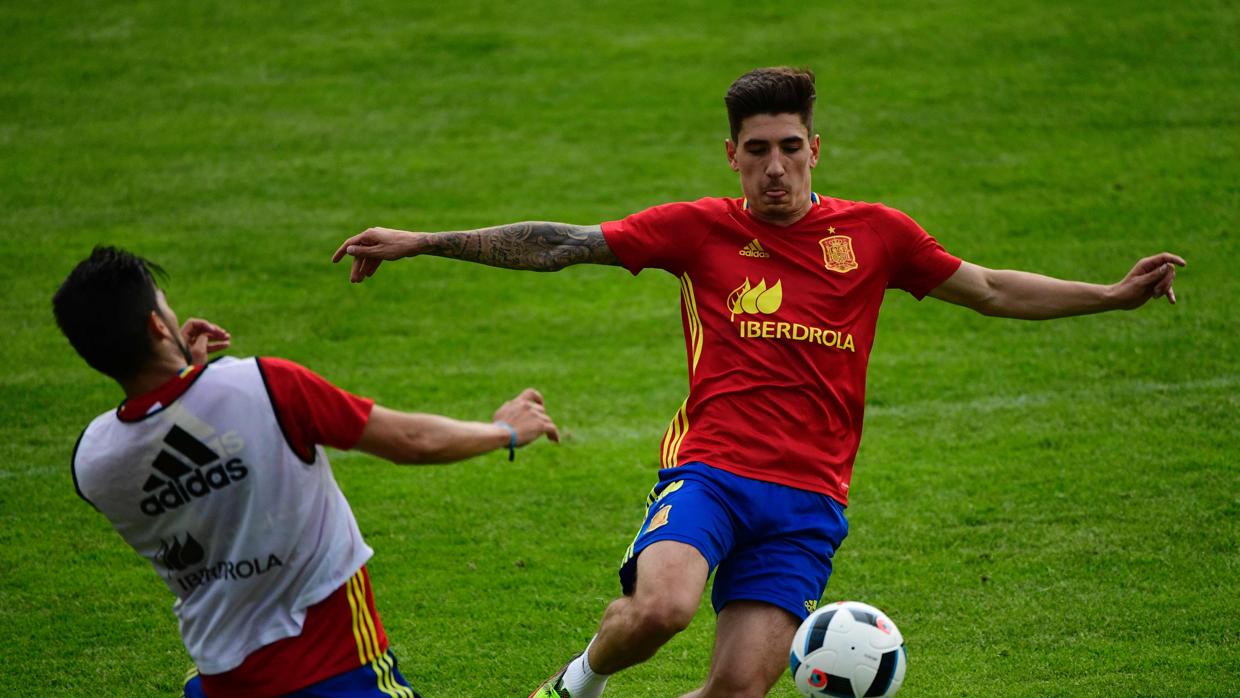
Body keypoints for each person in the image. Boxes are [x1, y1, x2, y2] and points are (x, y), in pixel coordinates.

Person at [331, 67, 1185, 698]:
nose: (774, 168)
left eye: (788, 150)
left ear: (814, 149)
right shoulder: (699, 230)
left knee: (738, 690)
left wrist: (1110, 296)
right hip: (712, 468)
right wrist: (424, 239)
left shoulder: (878, 235)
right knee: (662, 609)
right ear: (731, 155)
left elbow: (991, 289)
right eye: (755, 153)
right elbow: (563, 242)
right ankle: (575, 686)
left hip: (811, 498)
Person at [54, 246, 560, 698]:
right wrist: (504, 431)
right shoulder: (264, 386)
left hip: (221, 680)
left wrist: (190, 379)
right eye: (165, 307)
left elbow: (188, 457)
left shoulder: (93, 460)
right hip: (336, 667)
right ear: (157, 328)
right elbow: (411, 441)